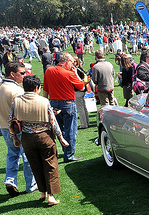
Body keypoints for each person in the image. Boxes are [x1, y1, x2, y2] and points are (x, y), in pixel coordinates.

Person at [9, 75, 69, 206]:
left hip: (27, 138)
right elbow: (53, 122)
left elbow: (11, 121)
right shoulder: (43, 101)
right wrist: (61, 137)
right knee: (50, 164)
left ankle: (43, 192)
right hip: (44, 136)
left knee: (35, 165)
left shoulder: (16, 101)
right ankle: (51, 195)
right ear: (37, 88)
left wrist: (14, 138)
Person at [0, 62, 37, 197]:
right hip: (19, 127)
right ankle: (31, 185)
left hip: (4, 126)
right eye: (22, 73)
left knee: (12, 154)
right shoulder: (17, 91)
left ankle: (10, 180)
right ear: (12, 74)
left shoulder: (1, 86)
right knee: (27, 154)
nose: (25, 75)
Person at [43, 52, 85, 162]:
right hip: (68, 104)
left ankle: (66, 151)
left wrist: (46, 103)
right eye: (71, 62)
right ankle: (69, 155)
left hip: (53, 104)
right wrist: (75, 73)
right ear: (66, 62)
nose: (73, 65)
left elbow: (45, 89)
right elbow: (81, 86)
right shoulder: (69, 73)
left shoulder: (49, 71)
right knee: (70, 130)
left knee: (60, 130)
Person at [73, 57, 90, 129]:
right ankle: (86, 122)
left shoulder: (75, 70)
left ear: (76, 62)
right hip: (83, 89)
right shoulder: (80, 69)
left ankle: (84, 124)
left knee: (80, 107)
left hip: (78, 90)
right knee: (83, 106)